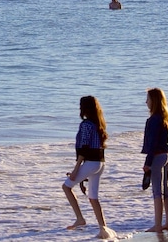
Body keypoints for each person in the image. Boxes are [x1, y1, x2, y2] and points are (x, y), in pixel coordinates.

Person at [63, 96, 116, 239]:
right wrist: (81, 177)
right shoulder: (98, 123)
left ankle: (80, 218)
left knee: (66, 187)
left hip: (91, 163)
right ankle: (103, 228)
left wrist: (76, 170)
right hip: (100, 163)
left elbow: (84, 148)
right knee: (93, 197)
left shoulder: (86, 124)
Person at [142, 87, 168, 232]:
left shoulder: (154, 119)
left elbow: (153, 143)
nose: (146, 102)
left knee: (157, 191)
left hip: (157, 156)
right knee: (166, 189)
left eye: (148, 99)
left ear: (153, 101)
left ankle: (157, 225)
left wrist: (147, 163)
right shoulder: (165, 117)